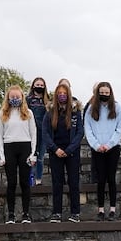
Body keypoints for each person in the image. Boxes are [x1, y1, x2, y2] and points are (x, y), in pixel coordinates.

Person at [42, 83, 83, 223]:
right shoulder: (50, 112)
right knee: (57, 183)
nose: (62, 95)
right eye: (59, 93)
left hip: (72, 152)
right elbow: (45, 133)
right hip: (56, 152)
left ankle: (75, 213)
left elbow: (80, 132)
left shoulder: (76, 112)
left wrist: (69, 149)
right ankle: (56, 213)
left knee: (74, 183)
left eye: (64, 93)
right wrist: (55, 149)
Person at [0, 85, 37, 224]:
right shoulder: (3, 113)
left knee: (25, 182)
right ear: (8, 98)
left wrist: (32, 153)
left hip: (25, 147)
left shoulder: (28, 113)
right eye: (12, 97)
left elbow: (34, 133)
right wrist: (1, 155)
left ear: (22, 97)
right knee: (12, 183)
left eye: (17, 97)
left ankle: (26, 214)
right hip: (9, 147)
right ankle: (11, 214)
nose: (15, 99)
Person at [84, 81, 121, 221]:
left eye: (107, 93)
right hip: (98, 149)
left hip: (113, 148)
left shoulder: (118, 108)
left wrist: (109, 144)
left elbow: (120, 129)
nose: (104, 95)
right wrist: (96, 145)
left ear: (110, 93)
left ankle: (112, 210)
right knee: (101, 179)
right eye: (102, 93)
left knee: (111, 178)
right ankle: (100, 210)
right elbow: (88, 129)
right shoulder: (91, 109)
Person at [26, 78, 49, 185]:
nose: (39, 87)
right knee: (32, 156)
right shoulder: (28, 100)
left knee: (40, 158)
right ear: (33, 85)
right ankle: (30, 179)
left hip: (43, 132)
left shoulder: (47, 100)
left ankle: (38, 180)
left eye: (41, 85)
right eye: (37, 85)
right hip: (30, 132)